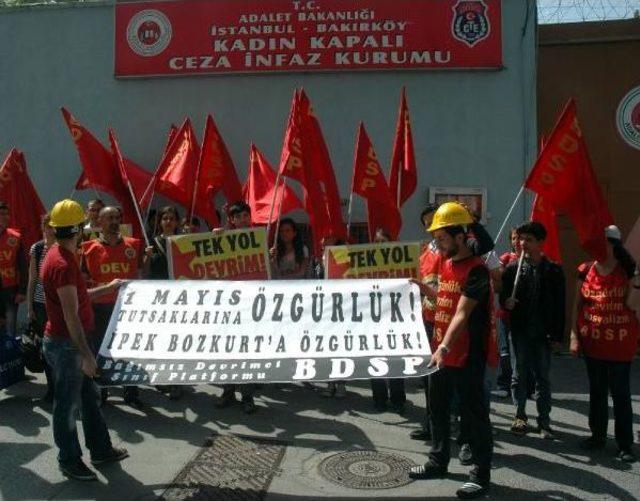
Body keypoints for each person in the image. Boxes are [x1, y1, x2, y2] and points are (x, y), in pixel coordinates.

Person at [409, 202, 493, 500]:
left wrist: (443, 346)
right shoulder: (446, 263)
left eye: (443, 238)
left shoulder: (478, 271)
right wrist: (423, 289)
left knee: (474, 415)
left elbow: (462, 312)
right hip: (441, 354)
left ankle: (481, 475)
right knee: (438, 409)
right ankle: (438, 461)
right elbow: (445, 299)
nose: (439, 243)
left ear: (461, 237)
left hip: (466, 355)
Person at [41, 199, 128, 481]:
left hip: (71, 343)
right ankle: (68, 459)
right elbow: (70, 315)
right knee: (67, 405)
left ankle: (100, 449)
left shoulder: (58, 254)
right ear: (79, 228)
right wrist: (87, 356)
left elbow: (77, 300)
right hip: (68, 346)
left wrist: (109, 288)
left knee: (89, 399)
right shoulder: (63, 264)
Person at [570, 225, 639, 462]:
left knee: (620, 394)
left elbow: (633, 305)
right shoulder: (585, 269)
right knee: (597, 392)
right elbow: (577, 305)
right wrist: (573, 335)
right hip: (593, 343)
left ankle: (625, 445)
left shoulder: (628, 271)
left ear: (613, 244)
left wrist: (637, 283)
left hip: (620, 343)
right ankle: (597, 436)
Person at [501, 221, 565, 438]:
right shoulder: (512, 269)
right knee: (519, 375)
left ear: (540, 242)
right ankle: (520, 416)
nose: (523, 243)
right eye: (520, 239)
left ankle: (544, 420)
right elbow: (503, 298)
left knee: (542, 377)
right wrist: (506, 303)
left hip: (543, 333)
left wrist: (558, 335)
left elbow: (560, 305)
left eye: (529, 239)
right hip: (520, 330)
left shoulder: (553, 270)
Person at [81, 206, 147, 407]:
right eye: (109, 218)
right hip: (100, 309)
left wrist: (148, 259)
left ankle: (131, 392)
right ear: (99, 222)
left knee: (129, 352)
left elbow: (142, 274)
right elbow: (83, 281)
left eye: (117, 217)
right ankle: (102, 391)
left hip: (127, 309)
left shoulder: (134, 245)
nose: (114, 221)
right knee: (102, 352)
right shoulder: (87, 248)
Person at [214, 201, 258, 413]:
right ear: (231, 220)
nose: (242, 219)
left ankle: (247, 395)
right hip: (227, 306)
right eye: (238, 216)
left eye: (245, 216)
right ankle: (228, 390)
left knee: (246, 352)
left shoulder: (259, 239)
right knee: (227, 351)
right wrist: (216, 237)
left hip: (249, 305)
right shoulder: (221, 237)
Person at [145, 206, 183, 400]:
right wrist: (147, 258)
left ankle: (177, 380)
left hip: (182, 299)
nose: (168, 221)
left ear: (177, 222)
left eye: (171, 218)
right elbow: (145, 273)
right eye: (164, 218)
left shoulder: (185, 242)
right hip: (160, 298)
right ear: (159, 222)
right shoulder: (151, 243)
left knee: (177, 340)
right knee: (161, 339)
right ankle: (161, 376)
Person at [369, 228, 406, 412]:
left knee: (395, 358)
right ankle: (379, 398)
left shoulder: (399, 263)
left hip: (395, 316)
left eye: (384, 242)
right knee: (375, 357)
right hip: (374, 318)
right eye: (378, 242)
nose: (381, 246)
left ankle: (398, 399)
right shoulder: (368, 264)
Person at [26, 214, 56, 401]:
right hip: (40, 305)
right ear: (43, 227)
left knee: (59, 346)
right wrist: (30, 307)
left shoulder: (64, 246)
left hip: (59, 304)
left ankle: (62, 387)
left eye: (54, 226)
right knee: (45, 347)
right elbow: (32, 279)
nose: (51, 229)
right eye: (48, 226)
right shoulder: (37, 248)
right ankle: (51, 387)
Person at [493, 228, 521, 398]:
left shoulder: (534, 261)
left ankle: (525, 386)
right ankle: (504, 383)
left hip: (524, 316)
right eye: (514, 238)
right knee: (504, 350)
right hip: (505, 314)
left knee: (521, 352)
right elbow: (498, 282)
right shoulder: (505, 259)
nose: (517, 241)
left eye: (520, 238)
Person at [0, 201, 27, 338]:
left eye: (7, 214)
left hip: (10, 290)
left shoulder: (15, 237)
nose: (5, 217)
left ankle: (10, 358)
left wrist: (22, 290)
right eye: (1, 214)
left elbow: (23, 265)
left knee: (10, 330)